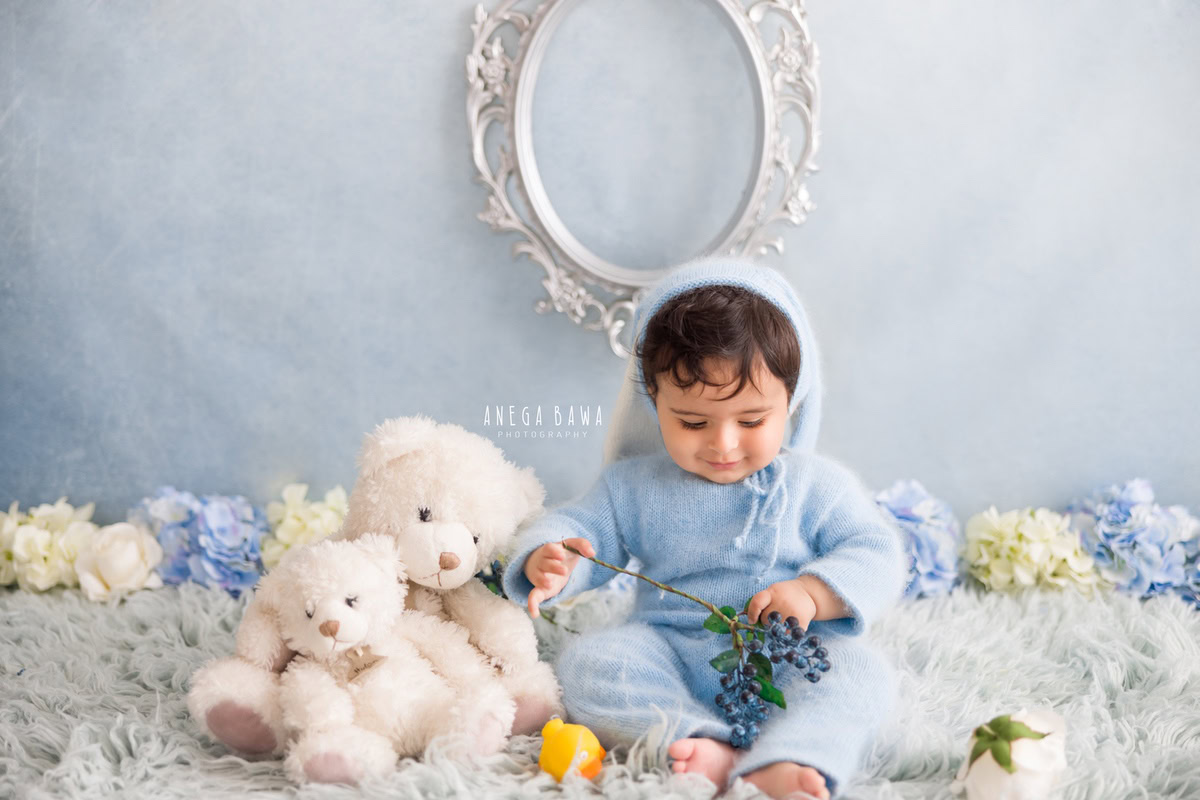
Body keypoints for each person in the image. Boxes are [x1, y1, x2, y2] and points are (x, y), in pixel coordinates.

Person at [501, 258, 907, 799]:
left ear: (791, 400)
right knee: (591, 665)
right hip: (667, 647)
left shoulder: (815, 485)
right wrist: (551, 559)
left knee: (860, 674)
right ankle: (698, 740)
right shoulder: (634, 486)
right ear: (655, 401)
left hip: (785, 655)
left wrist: (814, 593)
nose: (723, 443)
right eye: (693, 422)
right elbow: (580, 526)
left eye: (752, 420)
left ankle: (790, 756)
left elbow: (876, 550)